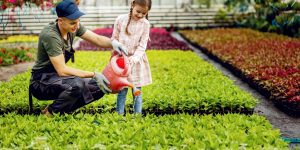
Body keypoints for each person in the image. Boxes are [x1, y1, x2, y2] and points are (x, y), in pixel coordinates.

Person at [29, 0, 128, 116]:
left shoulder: (73, 27)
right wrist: (94, 74)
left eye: (78, 21)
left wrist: (114, 43)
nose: (77, 26)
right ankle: (50, 114)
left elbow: (96, 39)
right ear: (60, 21)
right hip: (41, 81)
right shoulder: (51, 35)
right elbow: (62, 70)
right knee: (77, 85)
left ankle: (60, 110)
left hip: (56, 78)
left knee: (98, 87)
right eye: (73, 23)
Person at [112, 0, 152, 114]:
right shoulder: (120, 20)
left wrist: (133, 59)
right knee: (122, 90)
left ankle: (137, 117)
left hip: (136, 61)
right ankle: (119, 116)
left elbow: (142, 45)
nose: (140, 15)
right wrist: (117, 46)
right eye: (138, 11)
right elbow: (114, 38)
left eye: (143, 13)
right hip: (121, 61)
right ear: (132, 4)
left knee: (137, 91)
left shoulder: (145, 24)